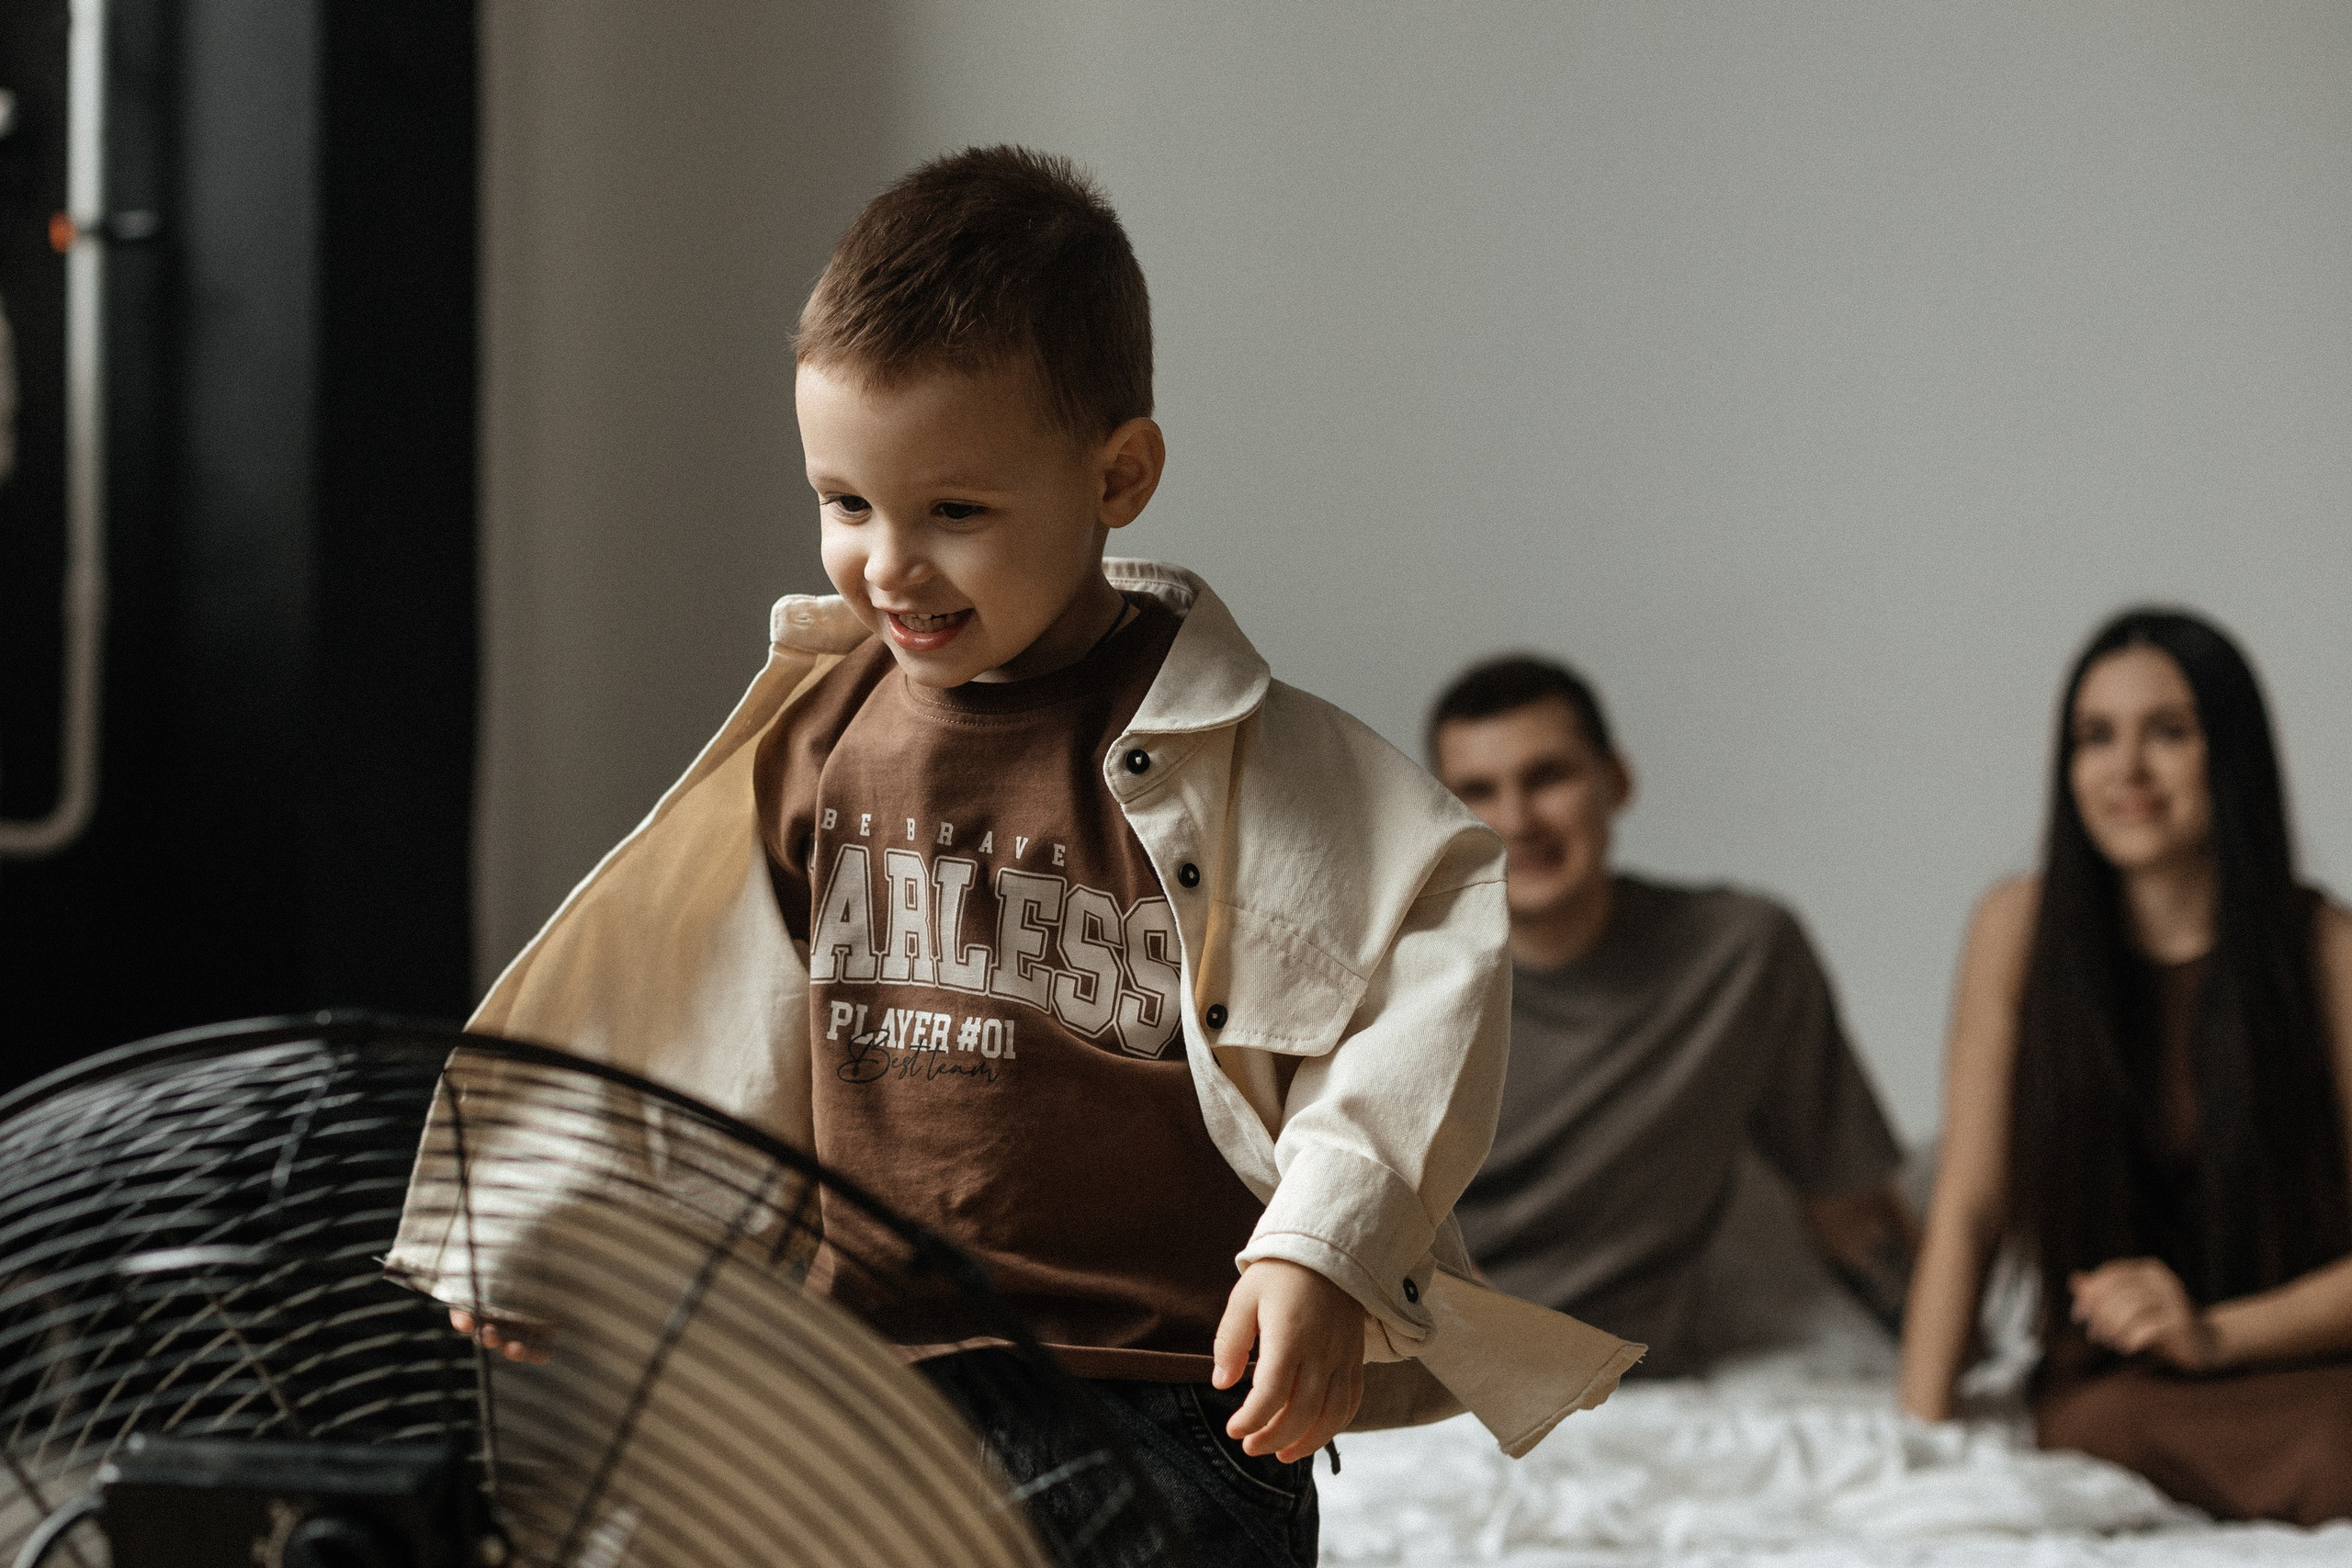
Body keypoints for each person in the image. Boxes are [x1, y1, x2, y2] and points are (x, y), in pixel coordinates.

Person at [391, 148, 1638, 1567]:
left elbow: (1414, 984)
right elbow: (701, 1031)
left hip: (1166, 1400)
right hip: (867, 1394)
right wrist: (557, 1217)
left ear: (1120, 474)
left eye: (955, 513)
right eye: (846, 502)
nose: (888, 566)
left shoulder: (1244, 755)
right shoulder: (825, 738)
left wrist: (1322, 1242)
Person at [1899, 608, 2352, 1526]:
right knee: (2104, 1430)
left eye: (2169, 733)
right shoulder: (2016, 930)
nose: (2126, 771)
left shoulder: (2324, 950)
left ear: (2230, 757)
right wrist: (1916, 1438)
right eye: (2094, 737)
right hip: (2118, 1388)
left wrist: (2215, 1337)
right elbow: (1970, 1209)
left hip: (2294, 1361)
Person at [1429, 655, 1916, 1374]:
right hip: (1425, 1380)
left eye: (1547, 777)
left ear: (1616, 781)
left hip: (1636, 1392)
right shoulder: (1392, 979)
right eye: (1478, 791)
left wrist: (1970, 1364)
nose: (1518, 819)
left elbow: (1851, 1211)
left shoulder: (1740, 957)